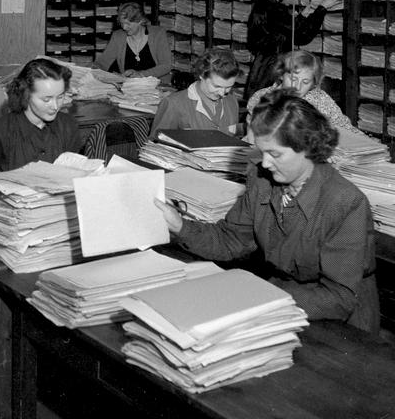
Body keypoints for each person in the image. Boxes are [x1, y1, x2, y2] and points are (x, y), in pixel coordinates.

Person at [155, 89, 379, 334]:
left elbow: (339, 297)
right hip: (279, 301)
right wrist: (179, 226)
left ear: (308, 147)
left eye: (275, 154)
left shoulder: (346, 202)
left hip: (337, 324)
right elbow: (231, 240)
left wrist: (259, 295)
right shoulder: (263, 180)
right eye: (262, 152)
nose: (265, 163)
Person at [244, 0, 343, 102]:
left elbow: (284, 30)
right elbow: (302, 36)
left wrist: (302, 17)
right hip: (273, 67)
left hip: (263, 64)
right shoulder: (274, 8)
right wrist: (322, 8)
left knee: (266, 105)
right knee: (276, 105)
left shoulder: (263, 4)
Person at [0, 58, 81, 171]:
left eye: (60, 97)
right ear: (26, 95)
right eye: (46, 99)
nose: (55, 106)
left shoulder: (69, 126)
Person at [246, 50, 355, 132]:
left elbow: (346, 128)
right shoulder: (262, 98)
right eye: (293, 79)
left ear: (313, 84)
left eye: (306, 82)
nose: (298, 87)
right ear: (281, 75)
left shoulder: (320, 99)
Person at [150, 47, 240, 138]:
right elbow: (156, 142)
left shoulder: (232, 101)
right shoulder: (174, 104)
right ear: (202, 75)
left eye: (228, 87)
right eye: (217, 86)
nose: (222, 93)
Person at [94, 2, 172, 79]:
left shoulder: (158, 34)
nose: (124, 27)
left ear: (140, 21)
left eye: (128, 24)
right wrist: (94, 71)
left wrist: (141, 74)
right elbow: (102, 63)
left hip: (157, 84)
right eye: (122, 23)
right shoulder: (118, 36)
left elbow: (166, 65)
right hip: (129, 85)